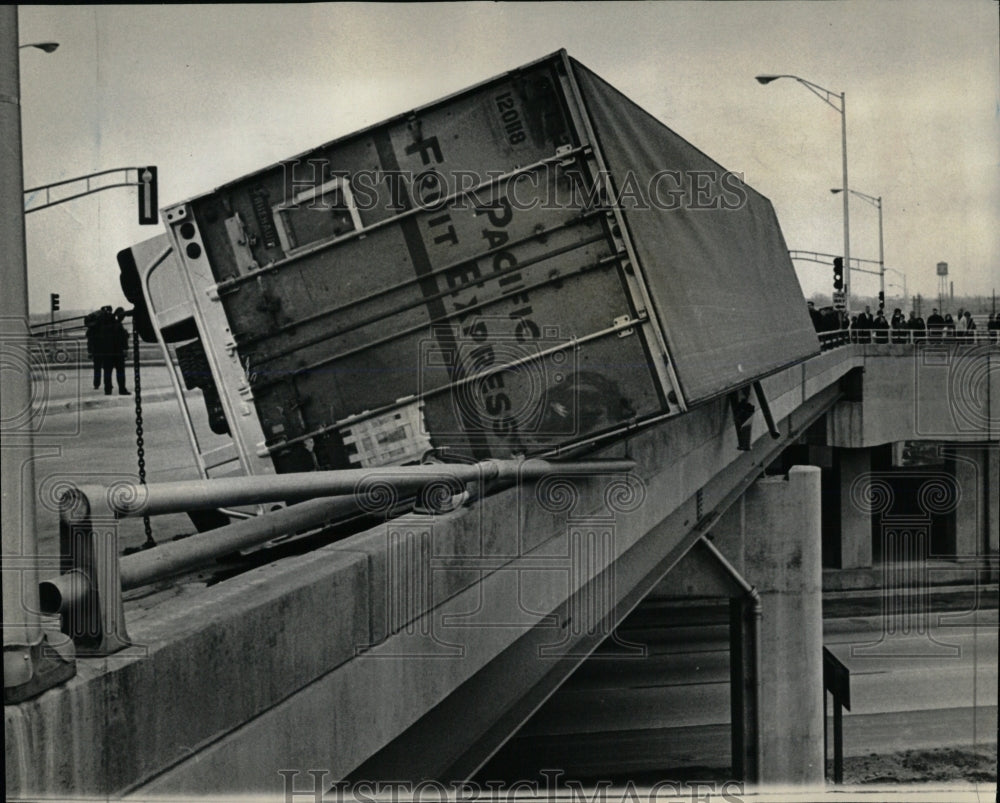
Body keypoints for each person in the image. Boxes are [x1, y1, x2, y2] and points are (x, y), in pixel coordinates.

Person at [112, 308, 131, 395]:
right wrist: (126, 334)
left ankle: (108, 388)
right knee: (120, 371)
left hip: (110, 351)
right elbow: (122, 338)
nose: (123, 318)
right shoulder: (118, 325)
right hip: (118, 352)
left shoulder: (111, 323)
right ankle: (122, 389)